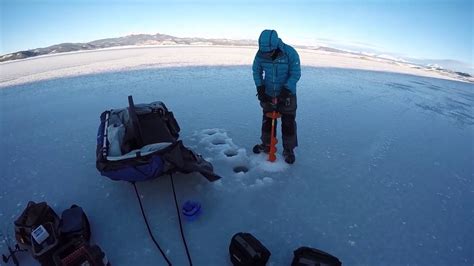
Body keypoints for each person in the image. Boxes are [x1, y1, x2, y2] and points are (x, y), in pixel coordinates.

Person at [252, 29, 301, 164]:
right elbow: (256, 71)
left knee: (288, 123)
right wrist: (260, 87)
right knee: (267, 121)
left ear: (275, 47)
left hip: (287, 94)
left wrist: (286, 90)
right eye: (263, 52)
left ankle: (289, 149)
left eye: (268, 52)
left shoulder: (290, 53)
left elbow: (295, 73)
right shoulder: (260, 54)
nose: (265, 55)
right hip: (269, 92)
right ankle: (267, 145)